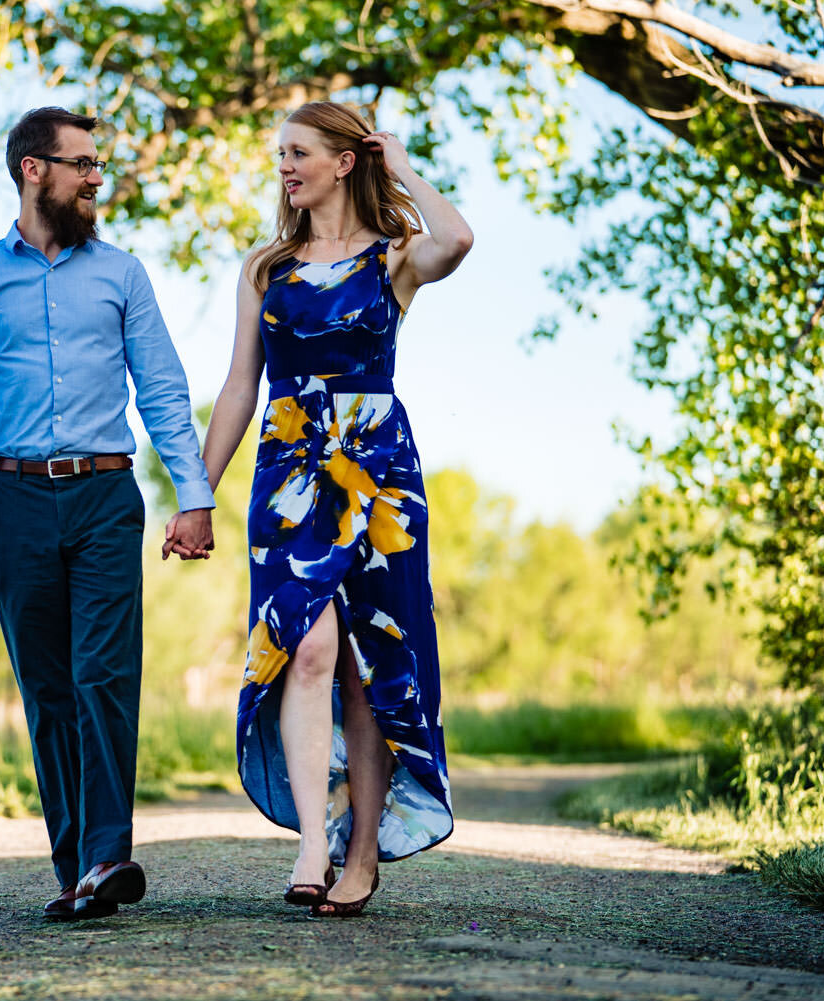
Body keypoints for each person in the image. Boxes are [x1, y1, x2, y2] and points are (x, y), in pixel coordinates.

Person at [175, 101, 473, 917]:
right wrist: (197, 491)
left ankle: (363, 853)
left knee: (368, 661)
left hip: (380, 475)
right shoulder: (266, 268)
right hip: (289, 469)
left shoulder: (394, 260)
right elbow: (240, 386)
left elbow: (459, 240)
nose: (285, 167)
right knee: (301, 645)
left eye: (299, 152)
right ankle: (314, 840)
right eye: (280, 156)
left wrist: (402, 163)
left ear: (345, 161)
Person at [0, 106, 215, 921]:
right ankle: (74, 870)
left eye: (97, 164)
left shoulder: (122, 274)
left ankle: (106, 855)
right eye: (82, 164)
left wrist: (192, 494)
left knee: (104, 672)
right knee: (48, 687)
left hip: (103, 494)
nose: (97, 178)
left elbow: (162, 388)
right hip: (14, 500)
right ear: (33, 170)